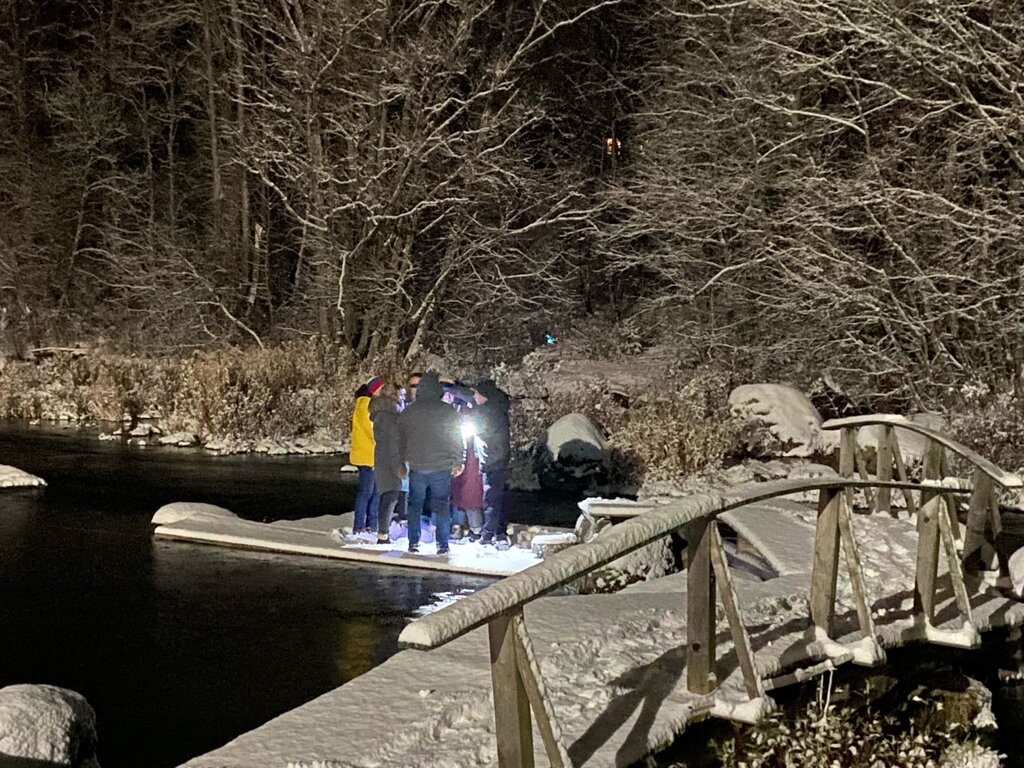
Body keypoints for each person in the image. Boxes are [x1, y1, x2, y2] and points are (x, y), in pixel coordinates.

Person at [398, 371, 465, 555]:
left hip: (417, 465)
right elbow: (456, 438)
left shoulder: (409, 411)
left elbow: (400, 440)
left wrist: (400, 463)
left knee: (415, 505)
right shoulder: (448, 411)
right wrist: (458, 461)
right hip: (441, 465)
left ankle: (413, 542)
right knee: (442, 505)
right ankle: (442, 544)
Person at [474, 379, 512, 549]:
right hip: (498, 458)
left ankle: (488, 535)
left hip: (493, 460)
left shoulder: (488, 414)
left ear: (485, 396)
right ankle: (499, 531)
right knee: (497, 497)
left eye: (477, 394)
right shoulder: (497, 409)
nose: (475, 397)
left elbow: (483, 433)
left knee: (490, 498)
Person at [369, 382, 404, 544]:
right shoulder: (391, 416)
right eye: (401, 394)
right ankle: (383, 533)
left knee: (388, 495)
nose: (403, 398)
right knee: (391, 495)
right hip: (390, 460)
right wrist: (398, 465)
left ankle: (383, 532)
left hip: (382, 458)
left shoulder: (381, 415)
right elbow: (393, 442)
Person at [349, 376, 384, 536]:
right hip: (368, 455)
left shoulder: (364, 403)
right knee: (367, 492)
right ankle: (360, 526)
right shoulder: (365, 405)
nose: (381, 392)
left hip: (371, 454)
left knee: (374, 492)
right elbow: (371, 429)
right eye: (380, 389)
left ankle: (371, 524)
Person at [450, 405, 485, 542]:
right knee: (461, 497)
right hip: (462, 465)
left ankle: (475, 528)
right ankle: (459, 527)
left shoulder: (473, 431)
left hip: (470, 465)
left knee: (470, 497)